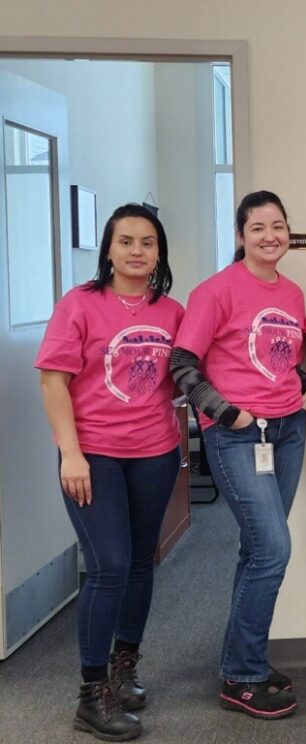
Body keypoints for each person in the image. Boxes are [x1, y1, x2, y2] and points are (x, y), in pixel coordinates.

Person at [170, 191, 306, 719]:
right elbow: (183, 363)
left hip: (288, 431)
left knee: (255, 550)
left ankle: (243, 662)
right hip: (239, 435)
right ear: (241, 235)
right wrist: (227, 413)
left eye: (278, 226)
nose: (270, 236)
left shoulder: (292, 292)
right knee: (273, 551)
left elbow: (277, 360)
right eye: (258, 227)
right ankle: (242, 675)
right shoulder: (215, 291)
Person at [37, 204, 184, 741]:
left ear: (159, 252)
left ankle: (125, 668)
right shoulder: (80, 304)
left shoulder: (173, 311)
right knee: (109, 566)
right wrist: (70, 453)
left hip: (155, 452)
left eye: (148, 242)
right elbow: (54, 381)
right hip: (92, 454)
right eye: (126, 241)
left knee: (140, 563)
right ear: (108, 249)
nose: (137, 251)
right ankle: (90, 693)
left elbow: (191, 371)